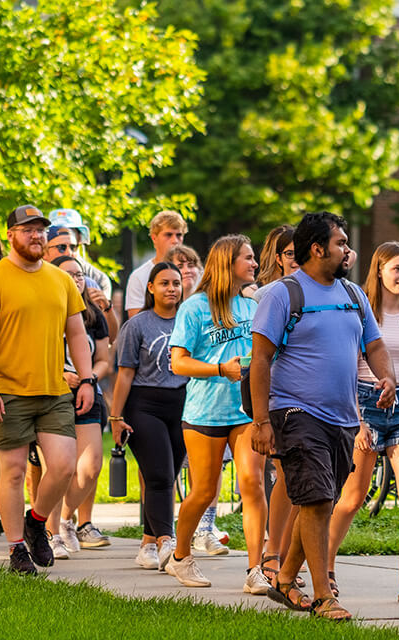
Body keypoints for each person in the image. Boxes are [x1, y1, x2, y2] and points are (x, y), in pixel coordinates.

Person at [250, 212, 395, 621]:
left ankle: (284, 578)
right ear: (317, 249)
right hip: (294, 410)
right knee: (315, 499)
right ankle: (321, 596)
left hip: (343, 417)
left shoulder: (353, 293)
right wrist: (262, 423)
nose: (348, 250)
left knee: (322, 501)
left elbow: (375, 345)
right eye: (341, 243)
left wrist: (387, 377)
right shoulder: (284, 294)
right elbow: (260, 360)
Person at [327, 241, 399, 604]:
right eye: (396, 269)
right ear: (379, 271)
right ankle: (325, 569)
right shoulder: (361, 313)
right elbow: (345, 368)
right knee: (353, 496)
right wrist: (357, 422)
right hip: (363, 400)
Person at [0, 205, 95, 575]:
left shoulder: (60, 279)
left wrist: (86, 379)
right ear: (10, 235)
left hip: (54, 389)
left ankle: (36, 521)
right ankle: (16, 548)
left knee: (65, 465)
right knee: (14, 472)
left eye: (40, 230)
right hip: (8, 391)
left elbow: (77, 334)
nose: (36, 235)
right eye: (27, 230)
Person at [167, 234, 268, 591]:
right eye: (248, 258)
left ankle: (256, 570)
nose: (254, 264)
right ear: (228, 263)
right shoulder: (195, 307)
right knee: (204, 491)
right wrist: (219, 369)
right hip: (204, 412)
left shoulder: (252, 307)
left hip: (245, 412)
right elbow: (178, 363)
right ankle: (180, 557)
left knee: (253, 484)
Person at [111, 262, 188, 571]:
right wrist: (116, 418)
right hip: (144, 405)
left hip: (182, 404)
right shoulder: (138, 324)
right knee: (157, 475)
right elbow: (125, 374)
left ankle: (147, 543)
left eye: (177, 283)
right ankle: (166, 542)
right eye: (165, 283)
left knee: (168, 475)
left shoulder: (188, 321)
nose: (171, 288)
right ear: (151, 288)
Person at [163, 244, 228, 551]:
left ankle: (207, 526)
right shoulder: (191, 307)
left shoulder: (236, 304)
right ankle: (166, 538)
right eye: (179, 265)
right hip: (181, 394)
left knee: (222, 472)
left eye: (192, 263)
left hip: (224, 398)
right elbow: (178, 360)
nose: (186, 269)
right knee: (184, 472)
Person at [46, 256, 112, 557]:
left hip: (88, 393)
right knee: (58, 467)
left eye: (80, 274)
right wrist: (61, 375)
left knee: (90, 466)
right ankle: (51, 533)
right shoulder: (44, 310)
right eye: (69, 274)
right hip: (52, 394)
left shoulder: (92, 314)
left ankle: (64, 519)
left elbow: (104, 359)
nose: (76, 279)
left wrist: (89, 378)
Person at [248, 224, 300, 585]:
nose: (297, 261)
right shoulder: (265, 296)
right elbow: (260, 357)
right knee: (285, 477)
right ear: (279, 258)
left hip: (317, 399)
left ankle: (291, 562)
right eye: (291, 254)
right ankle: (273, 554)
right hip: (281, 396)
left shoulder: (329, 292)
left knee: (308, 484)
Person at [126, 211, 187, 317]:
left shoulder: (194, 273)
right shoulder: (138, 276)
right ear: (154, 238)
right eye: (168, 235)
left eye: (179, 235)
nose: (175, 240)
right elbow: (136, 325)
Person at [48, 208, 112, 296]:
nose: (68, 252)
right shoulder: (37, 273)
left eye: (72, 246)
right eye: (61, 247)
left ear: (79, 239)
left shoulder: (98, 279)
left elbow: (103, 309)